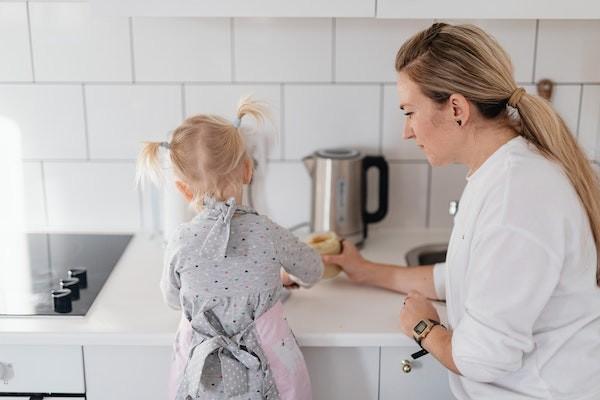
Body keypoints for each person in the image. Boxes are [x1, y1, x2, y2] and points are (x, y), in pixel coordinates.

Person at [324, 23, 600, 400]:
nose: (406, 131)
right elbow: (465, 278)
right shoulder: (501, 171)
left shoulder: (516, 198)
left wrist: (423, 328)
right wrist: (366, 271)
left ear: (456, 108)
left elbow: (482, 359)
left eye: (409, 111)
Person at [136, 97, 323, 400]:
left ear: (183, 189)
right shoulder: (267, 231)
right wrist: (281, 277)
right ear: (248, 170)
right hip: (271, 374)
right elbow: (314, 270)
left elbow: (172, 298)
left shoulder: (180, 241)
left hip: (200, 378)